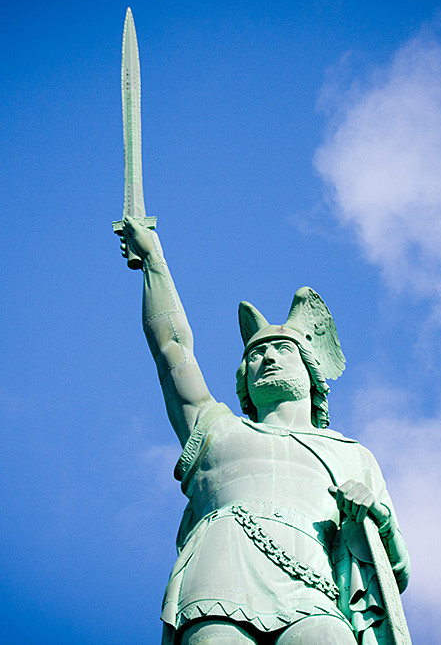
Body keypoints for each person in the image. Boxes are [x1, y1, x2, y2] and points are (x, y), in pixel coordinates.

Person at [120, 218, 410, 645]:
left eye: (281, 349)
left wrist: (375, 517)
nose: (267, 358)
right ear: (244, 378)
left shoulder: (354, 455)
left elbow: (396, 568)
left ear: (311, 373)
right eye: (256, 353)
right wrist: (153, 260)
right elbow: (171, 350)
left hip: (316, 590)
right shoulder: (215, 429)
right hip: (217, 581)